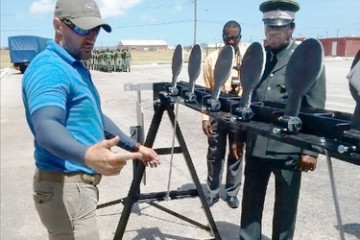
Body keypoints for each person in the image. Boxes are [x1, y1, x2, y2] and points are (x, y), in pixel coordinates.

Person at [21, 0, 160, 239]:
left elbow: (94, 116)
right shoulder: (50, 69)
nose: (91, 37)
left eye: (95, 29)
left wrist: (136, 147)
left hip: (77, 188)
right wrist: (88, 155)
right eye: (82, 29)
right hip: (65, 187)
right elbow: (47, 126)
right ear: (58, 26)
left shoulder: (73, 65)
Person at [239, 1, 326, 239]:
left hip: (288, 150)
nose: (273, 32)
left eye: (279, 28)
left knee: (285, 211)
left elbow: (316, 108)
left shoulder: (307, 58)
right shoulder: (258, 57)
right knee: (250, 206)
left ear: (291, 28)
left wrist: (311, 150)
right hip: (256, 145)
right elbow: (245, 98)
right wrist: (238, 138)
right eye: (269, 27)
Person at [201, 20, 244, 209]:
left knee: (237, 153)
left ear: (240, 37)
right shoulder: (212, 59)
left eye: (235, 37)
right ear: (223, 36)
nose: (232, 41)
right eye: (228, 37)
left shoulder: (247, 57)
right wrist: (205, 117)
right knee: (214, 154)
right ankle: (212, 192)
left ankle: (232, 192)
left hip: (239, 112)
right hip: (217, 112)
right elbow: (204, 90)